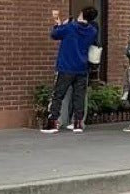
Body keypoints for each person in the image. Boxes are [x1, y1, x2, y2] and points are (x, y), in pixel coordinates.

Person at [41, 6, 98, 134]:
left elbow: (55, 34)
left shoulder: (71, 27)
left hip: (66, 67)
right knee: (79, 96)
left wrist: (59, 24)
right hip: (82, 68)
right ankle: (77, 123)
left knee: (58, 95)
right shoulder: (92, 31)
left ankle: (53, 123)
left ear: (82, 14)